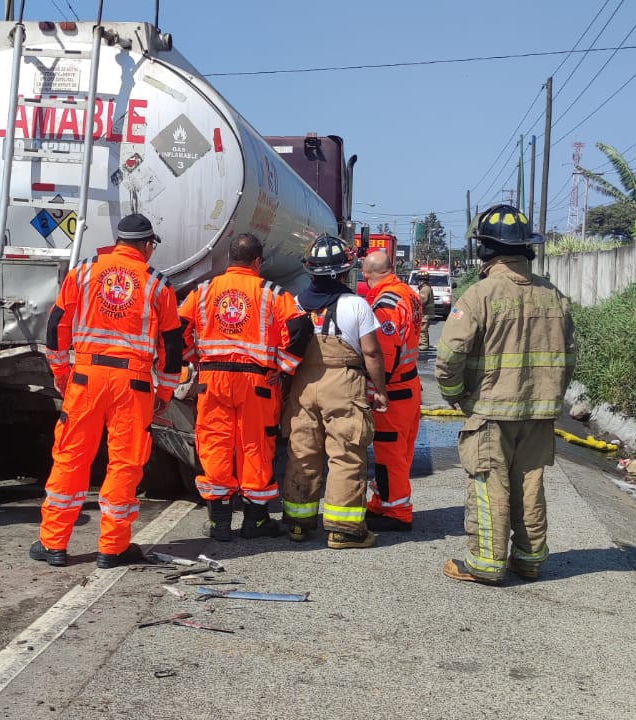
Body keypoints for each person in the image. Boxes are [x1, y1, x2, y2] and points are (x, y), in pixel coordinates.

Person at [29, 213, 184, 569]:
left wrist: (61, 372)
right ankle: (112, 548)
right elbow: (172, 345)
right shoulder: (157, 285)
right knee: (125, 463)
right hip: (134, 384)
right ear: (147, 245)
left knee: (71, 457)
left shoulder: (83, 271)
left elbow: (56, 327)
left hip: (85, 378)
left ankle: (54, 544)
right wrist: (166, 390)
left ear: (118, 241)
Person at [437, 204, 577, 585]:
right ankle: (529, 559)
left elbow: (449, 357)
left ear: (485, 250)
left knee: (489, 485)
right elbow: (568, 358)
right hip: (539, 413)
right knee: (530, 485)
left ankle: (485, 563)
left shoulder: (479, 295)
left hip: (490, 411)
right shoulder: (555, 297)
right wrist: (551, 398)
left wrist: (457, 397)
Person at [179, 233, 310, 541]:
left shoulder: (204, 291)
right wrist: (284, 365)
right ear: (257, 262)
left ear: (230, 261)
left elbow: (177, 326)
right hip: (257, 382)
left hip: (213, 379)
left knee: (215, 444)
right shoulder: (271, 293)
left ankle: (220, 523)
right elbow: (300, 328)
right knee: (256, 446)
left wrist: (191, 359)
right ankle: (255, 521)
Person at [280, 235, 390, 550]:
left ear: (311, 271)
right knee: (345, 452)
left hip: (304, 384)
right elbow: (371, 353)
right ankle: (344, 529)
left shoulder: (297, 303)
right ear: (344, 272)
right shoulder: (357, 304)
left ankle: (299, 522)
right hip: (344, 384)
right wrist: (379, 390)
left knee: (303, 450)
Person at [359, 249, 423, 532]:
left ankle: (396, 511)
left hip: (394, 390)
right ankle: (385, 502)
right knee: (402, 452)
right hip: (409, 386)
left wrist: (376, 390)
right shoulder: (408, 294)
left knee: (389, 456)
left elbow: (383, 353)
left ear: (365, 275)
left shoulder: (386, 303)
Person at [417, 274, 435, 351]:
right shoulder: (427, 288)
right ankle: (426, 344)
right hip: (427, 313)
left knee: (422, 329)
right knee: (424, 328)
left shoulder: (424, 289)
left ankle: (423, 345)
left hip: (425, 313)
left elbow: (422, 301)